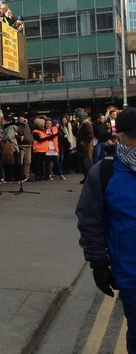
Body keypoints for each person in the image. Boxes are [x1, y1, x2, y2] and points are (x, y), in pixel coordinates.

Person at [76, 107, 136, 353]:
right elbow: (90, 221)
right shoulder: (104, 172)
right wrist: (98, 263)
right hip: (131, 273)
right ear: (119, 136)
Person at [76, 111, 94, 184]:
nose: (76, 118)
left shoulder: (86, 124)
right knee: (83, 164)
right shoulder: (82, 124)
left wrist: (84, 142)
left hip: (86, 148)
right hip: (82, 148)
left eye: (77, 117)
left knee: (87, 164)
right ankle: (86, 177)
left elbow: (90, 134)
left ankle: (91, 179)